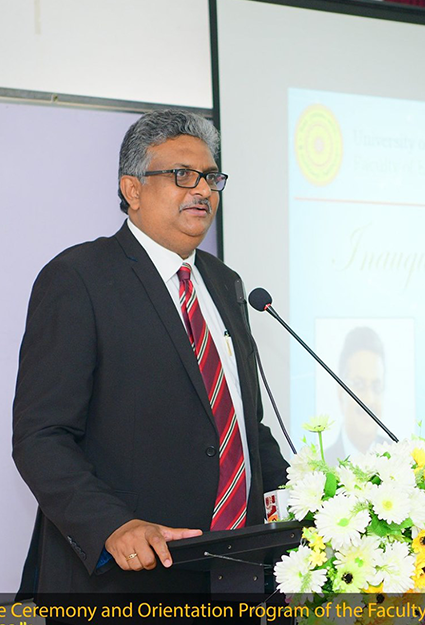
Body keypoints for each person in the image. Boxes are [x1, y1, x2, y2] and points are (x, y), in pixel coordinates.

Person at [12, 109, 288, 595]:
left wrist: (310, 501)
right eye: (182, 175)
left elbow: (241, 428)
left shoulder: (226, 284)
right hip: (126, 579)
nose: (202, 190)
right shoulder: (79, 278)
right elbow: (41, 435)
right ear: (132, 189)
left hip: (234, 570)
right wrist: (112, 525)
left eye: (211, 177)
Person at [325, 326, 388, 462]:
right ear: (340, 393)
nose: (369, 399)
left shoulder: (401, 459)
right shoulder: (320, 464)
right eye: (359, 385)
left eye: (376, 387)